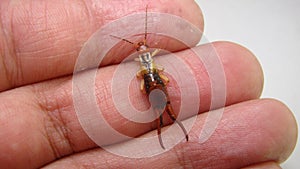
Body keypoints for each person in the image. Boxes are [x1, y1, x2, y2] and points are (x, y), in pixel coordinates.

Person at [0, 1, 297, 169]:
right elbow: (146, 67)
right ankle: (167, 121)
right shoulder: (144, 60)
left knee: (162, 102)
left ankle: (168, 120)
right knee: (160, 103)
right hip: (151, 79)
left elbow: (151, 65)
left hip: (153, 78)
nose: (142, 47)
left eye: (143, 45)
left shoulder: (148, 58)